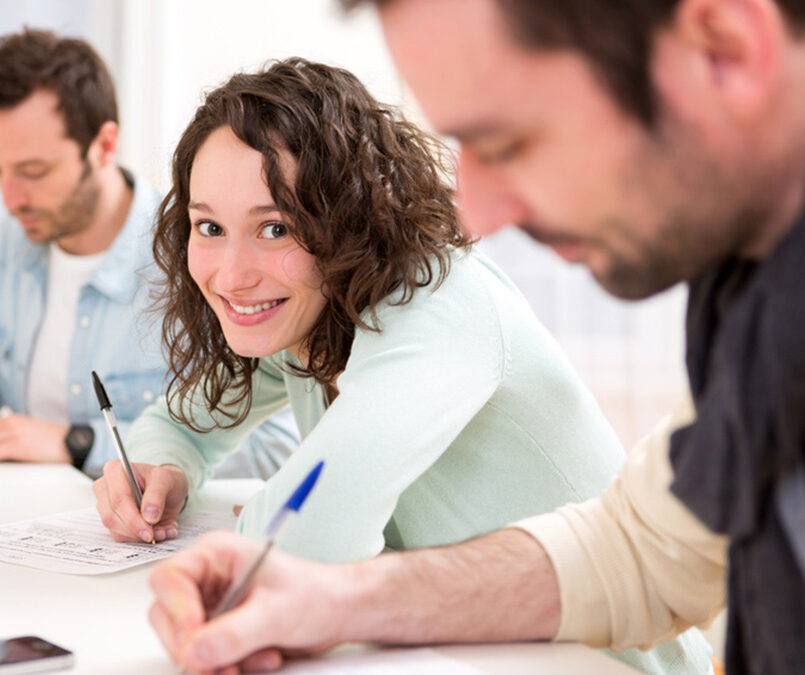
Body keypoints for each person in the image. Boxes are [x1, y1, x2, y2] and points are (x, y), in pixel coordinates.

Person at [145, 0, 805, 673]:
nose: (475, 211)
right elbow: (641, 549)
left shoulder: (433, 299)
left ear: (724, 49)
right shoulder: (748, 290)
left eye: (507, 141)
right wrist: (339, 600)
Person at [0, 28, 298, 480]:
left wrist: (75, 442)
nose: (10, 198)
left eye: (33, 171)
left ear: (105, 146)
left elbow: (271, 447)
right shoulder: (13, 242)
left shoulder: (208, 258)